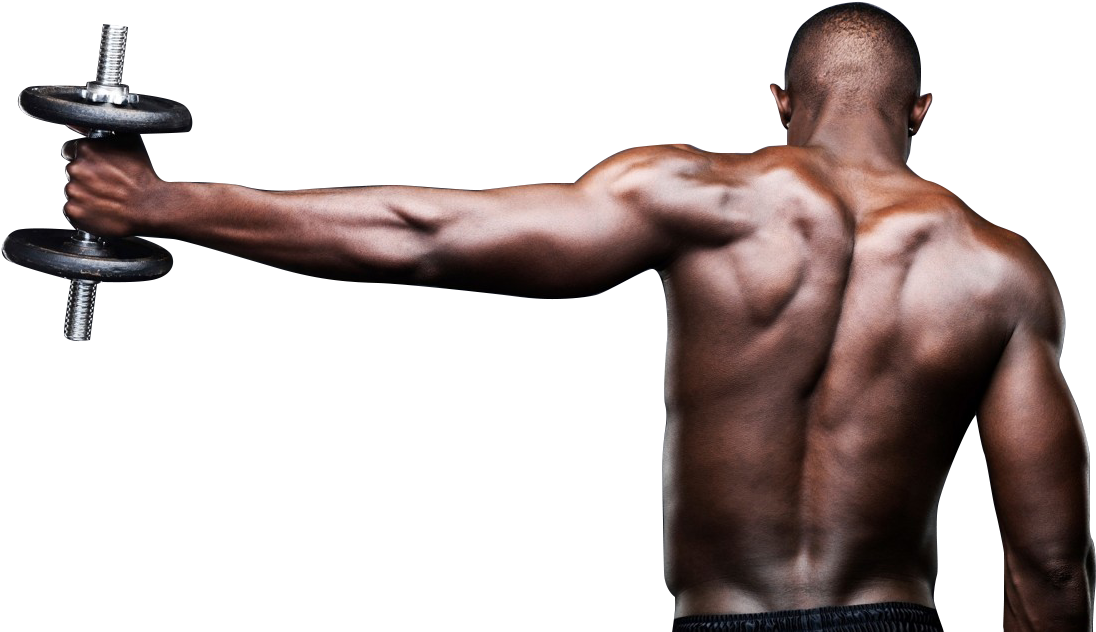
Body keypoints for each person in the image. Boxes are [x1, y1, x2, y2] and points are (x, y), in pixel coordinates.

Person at [57, 3, 1092, 630]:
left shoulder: (698, 194)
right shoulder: (998, 272)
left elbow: (426, 235)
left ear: (780, 99)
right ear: (920, 110)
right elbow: (1047, 568)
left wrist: (161, 202)